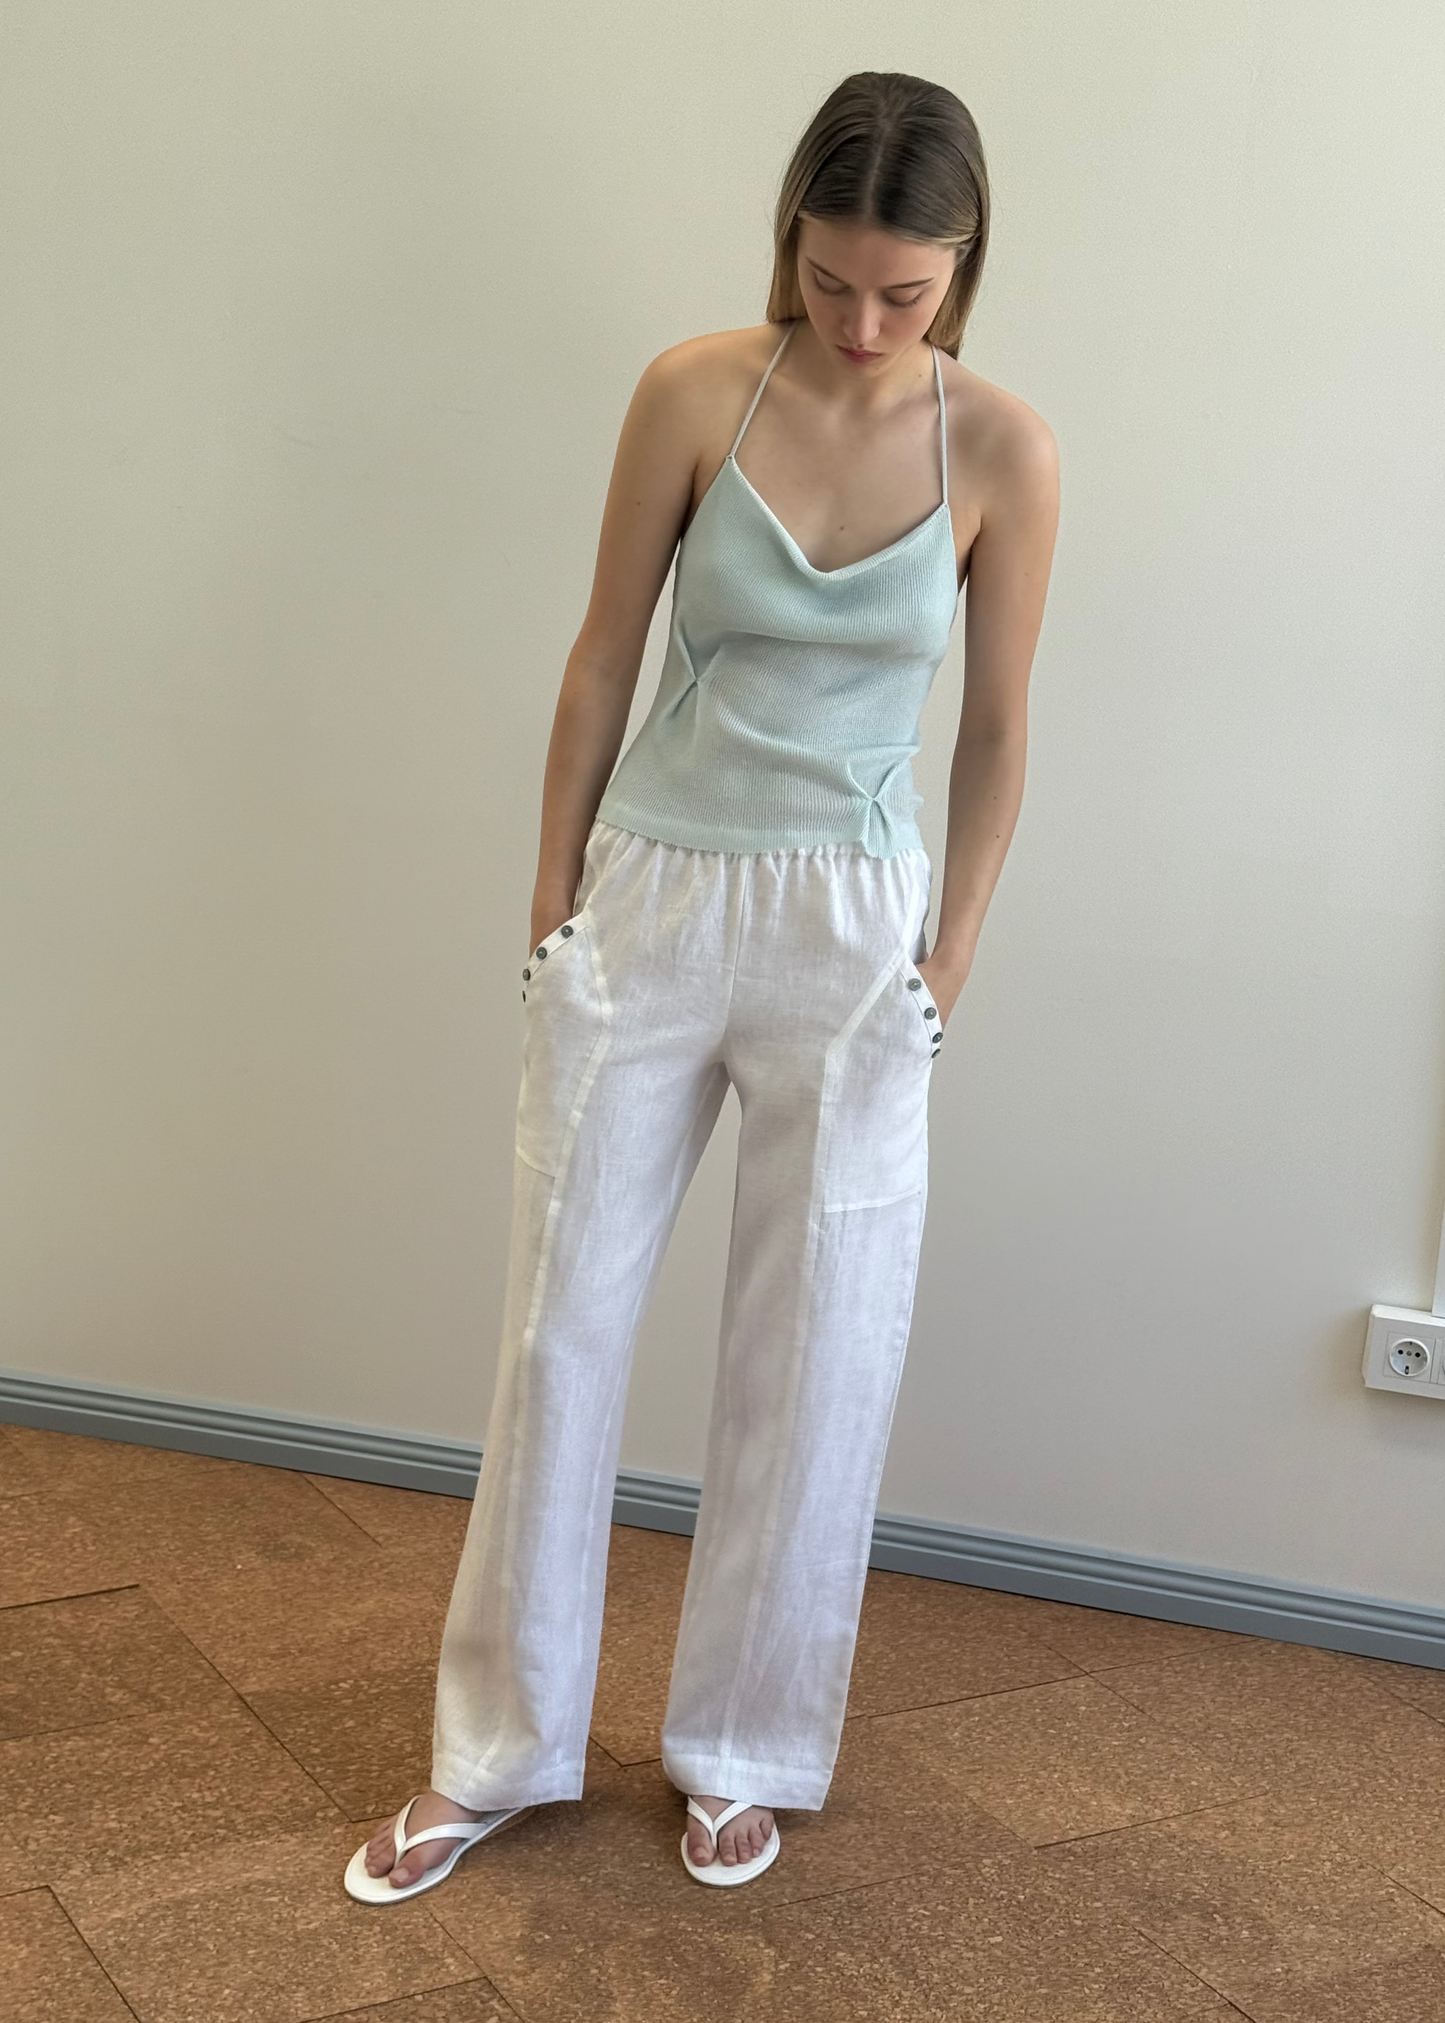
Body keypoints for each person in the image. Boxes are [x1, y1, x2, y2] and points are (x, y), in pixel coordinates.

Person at [345, 67, 1058, 1904]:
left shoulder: (1003, 450)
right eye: (834, 280)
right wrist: (550, 904)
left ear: (964, 268)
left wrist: (949, 958)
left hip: (855, 936)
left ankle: (741, 1744)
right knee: (556, 1328)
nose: (866, 320)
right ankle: (493, 1749)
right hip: (653, 893)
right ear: (792, 245)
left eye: (907, 291)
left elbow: (997, 735)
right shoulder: (692, 390)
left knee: (811, 1356)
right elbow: (600, 657)